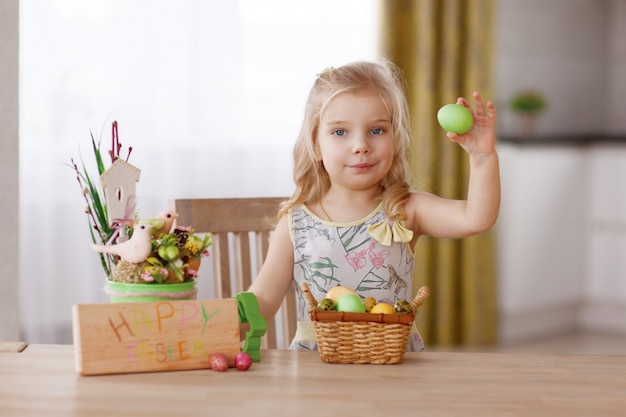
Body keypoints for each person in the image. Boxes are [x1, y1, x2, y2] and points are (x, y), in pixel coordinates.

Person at [247, 60, 500, 351]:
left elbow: (475, 218)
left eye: (377, 131)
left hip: (392, 371)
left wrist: (483, 159)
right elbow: (265, 299)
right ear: (316, 144)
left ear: (395, 137)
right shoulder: (296, 223)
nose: (361, 145)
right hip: (317, 373)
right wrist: (222, 322)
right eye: (340, 132)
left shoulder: (406, 209)